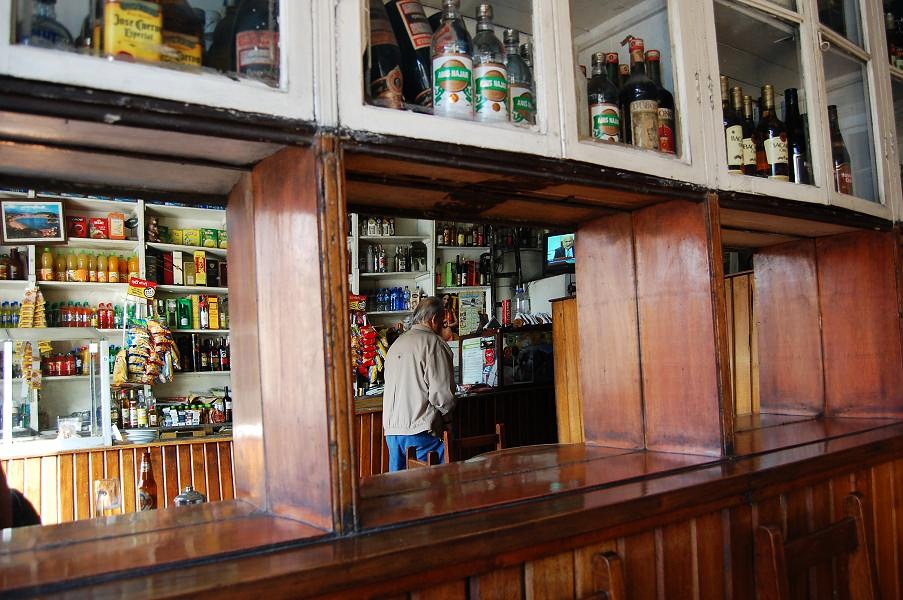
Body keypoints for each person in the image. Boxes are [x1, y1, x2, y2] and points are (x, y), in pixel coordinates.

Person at [382, 296, 456, 471]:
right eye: (442, 321)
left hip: (392, 432)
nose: (443, 325)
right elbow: (441, 394)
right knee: (437, 482)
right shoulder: (434, 343)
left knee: (399, 485)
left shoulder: (396, 344)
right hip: (420, 430)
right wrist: (448, 420)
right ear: (434, 319)